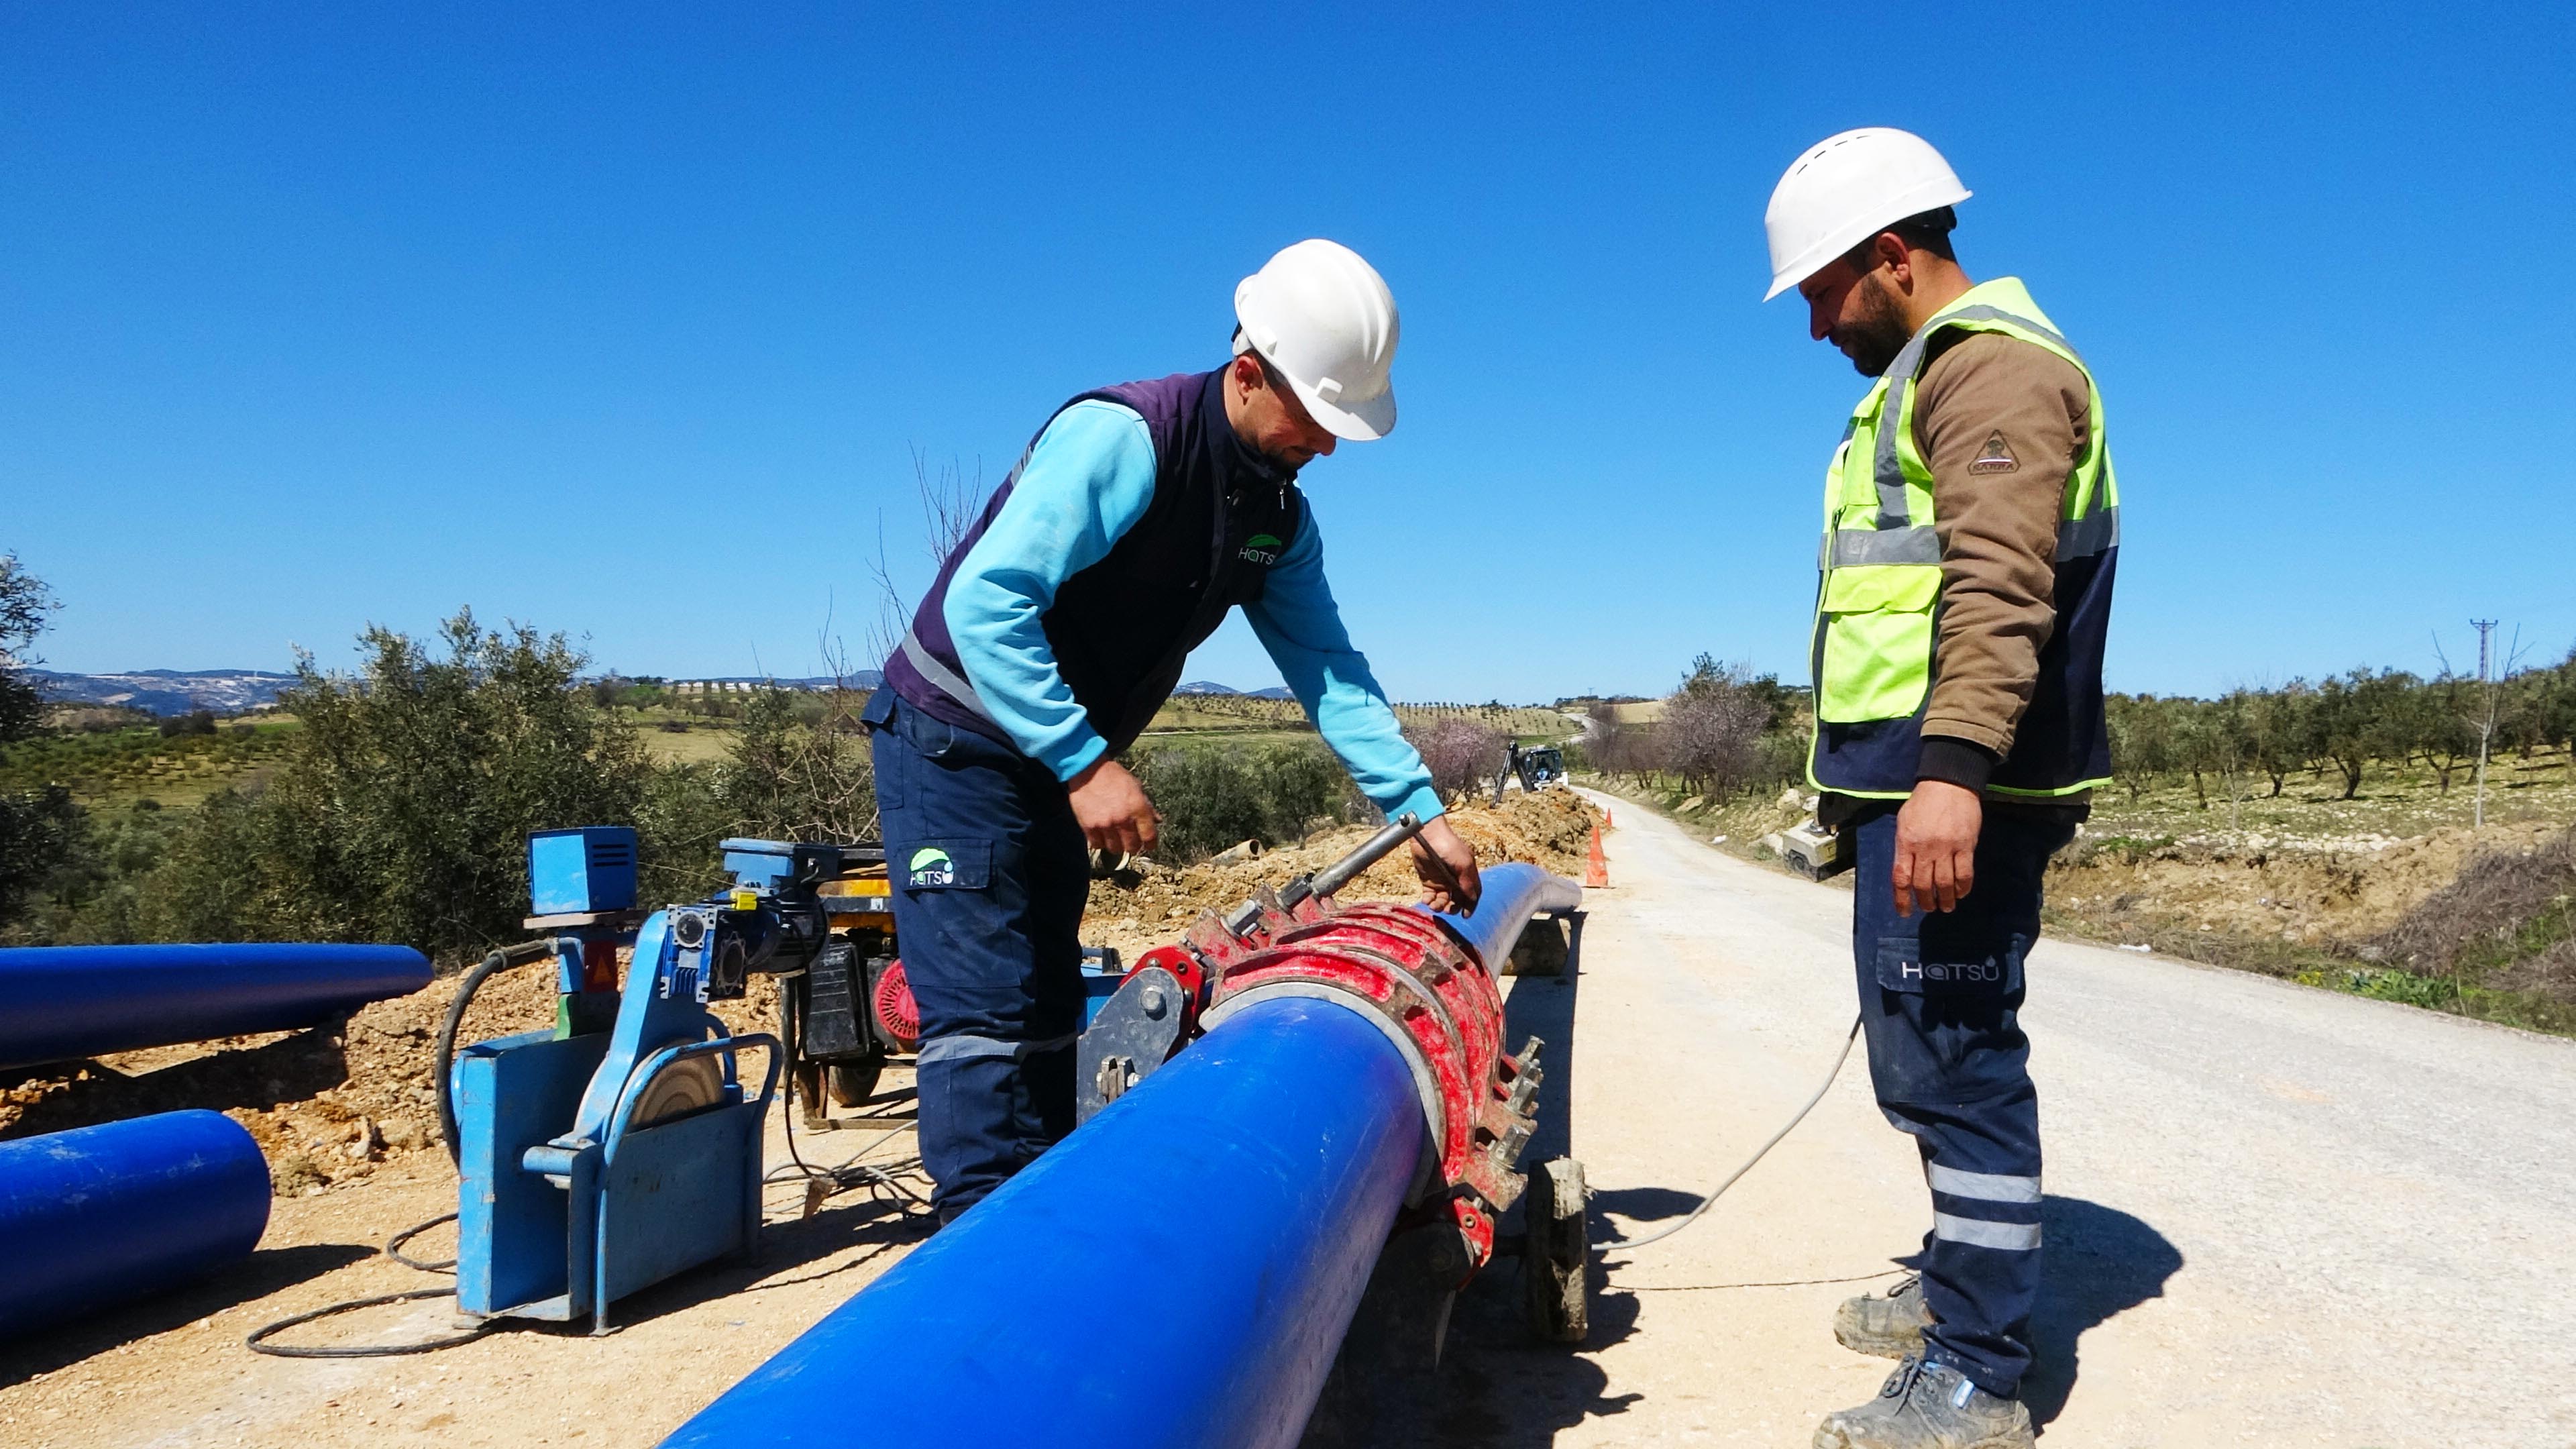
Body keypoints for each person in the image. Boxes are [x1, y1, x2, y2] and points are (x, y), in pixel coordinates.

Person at [867, 238, 1483, 1224]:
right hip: (957, 742)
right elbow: (988, 602)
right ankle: (982, 1291)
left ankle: (1045, 1247)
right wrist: (1084, 761)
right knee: (985, 1025)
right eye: (1316, 418)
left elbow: (1328, 670)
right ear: (1249, 374)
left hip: (1053, 761)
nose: (1325, 445)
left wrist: (1421, 813)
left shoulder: (1276, 516)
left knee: (1038, 1009)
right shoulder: (1129, 438)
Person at [1761, 129, 2121, 1449]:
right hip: (1914, 790)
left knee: (1957, 1062)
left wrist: (1952, 775)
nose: (1811, 327)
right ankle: (1958, 1292)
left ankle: (1979, 1373)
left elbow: (1999, 580)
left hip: (1962, 789)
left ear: (1890, 260)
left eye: (1817, 293)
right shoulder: (1933, 375)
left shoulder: (1994, 374)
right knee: (1921, 1059)